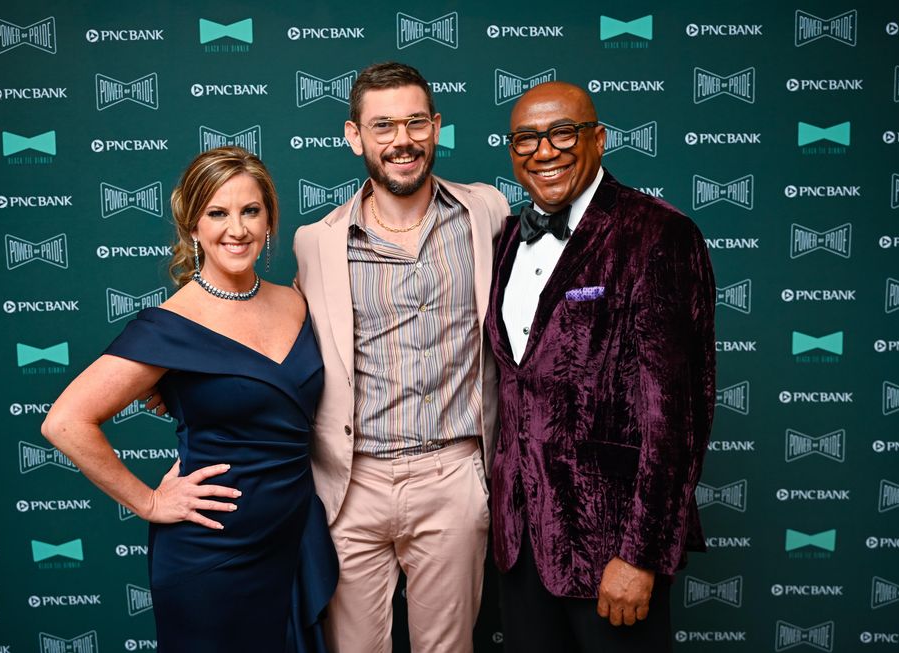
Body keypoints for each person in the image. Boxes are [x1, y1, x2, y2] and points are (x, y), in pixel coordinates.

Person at [41, 147, 337, 653]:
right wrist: (150, 502)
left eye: (250, 211)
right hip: (211, 554)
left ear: (269, 220)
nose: (237, 229)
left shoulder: (295, 302)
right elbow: (65, 422)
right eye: (217, 213)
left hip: (294, 537)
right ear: (192, 227)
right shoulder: (169, 326)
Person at [486, 82, 716, 652]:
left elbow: (676, 418)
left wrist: (640, 554)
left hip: (609, 545)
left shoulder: (657, 233)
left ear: (599, 138)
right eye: (526, 139)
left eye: (562, 133)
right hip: (520, 546)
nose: (544, 151)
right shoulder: (507, 240)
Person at [292, 62, 510, 653]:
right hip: (351, 484)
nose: (402, 140)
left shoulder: (485, 213)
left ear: (436, 127)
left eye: (415, 122)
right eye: (382, 125)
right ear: (354, 136)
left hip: (452, 476)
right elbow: (280, 335)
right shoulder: (318, 242)